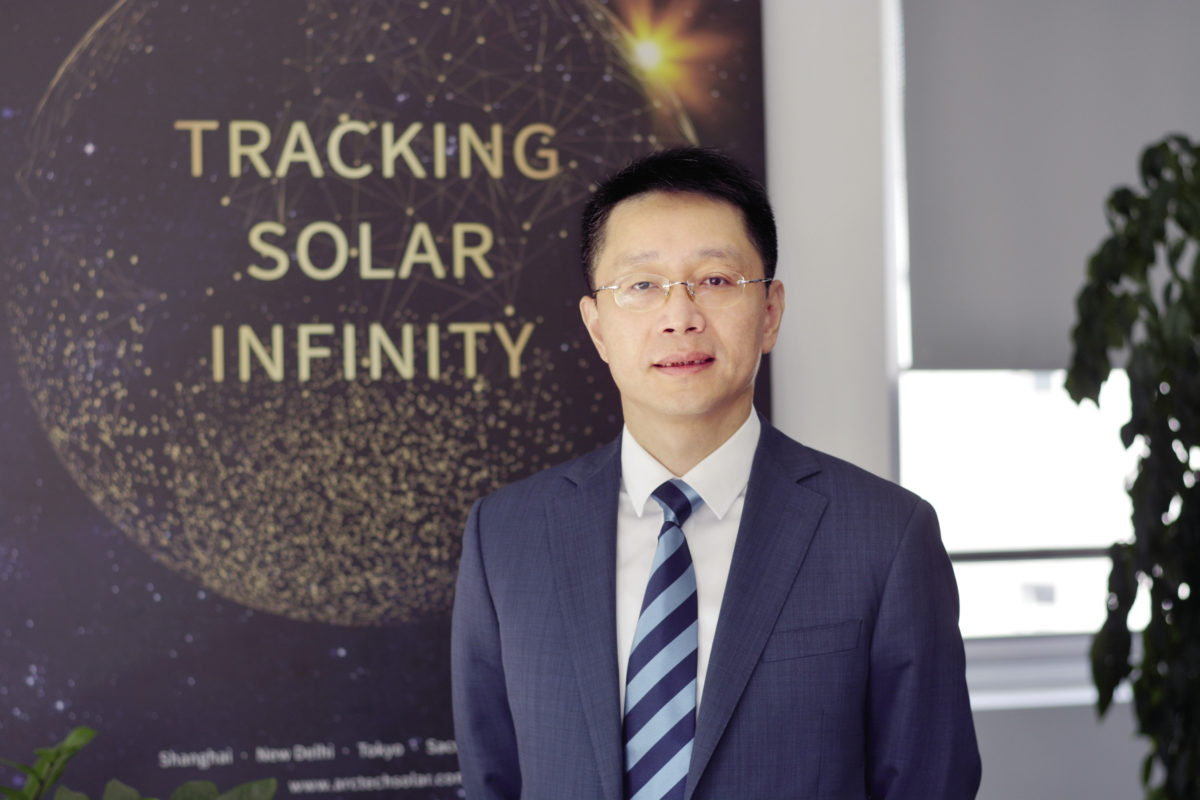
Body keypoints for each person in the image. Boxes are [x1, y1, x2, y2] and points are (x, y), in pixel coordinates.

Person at [451, 147, 981, 800]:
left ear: (771, 312)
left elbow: (930, 784)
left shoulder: (886, 537)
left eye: (716, 280)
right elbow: (492, 782)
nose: (680, 316)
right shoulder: (505, 537)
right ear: (597, 327)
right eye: (641, 285)